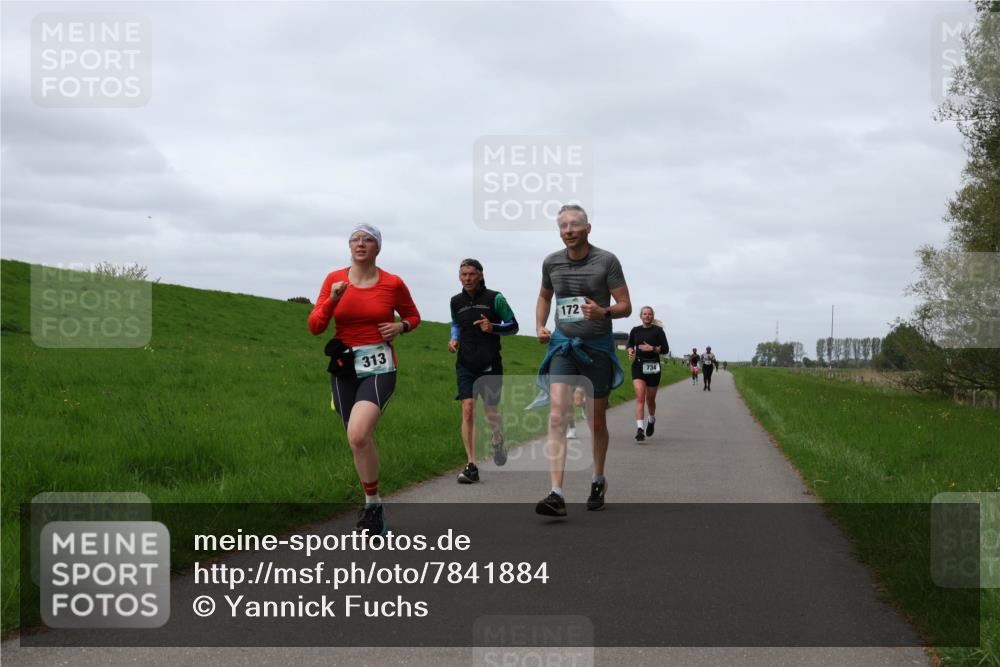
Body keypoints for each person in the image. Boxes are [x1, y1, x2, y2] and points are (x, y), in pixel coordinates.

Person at [308, 224, 421, 535]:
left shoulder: (392, 283)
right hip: (345, 367)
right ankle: (374, 499)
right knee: (357, 441)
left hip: (380, 366)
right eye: (355, 239)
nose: (360, 244)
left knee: (358, 435)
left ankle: (372, 506)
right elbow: (315, 326)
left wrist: (401, 328)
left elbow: (413, 316)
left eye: (367, 240)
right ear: (349, 246)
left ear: (377, 248)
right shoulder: (334, 280)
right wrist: (331, 300)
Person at [534, 204, 631, 517]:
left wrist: (603, 311)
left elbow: (626, 305)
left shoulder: (607, 261)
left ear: (588, 228)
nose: (569, 230)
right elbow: (545, 296)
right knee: (557, 415)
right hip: (563, 345)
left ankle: (598, 478)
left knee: (596, 420)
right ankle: (556, 493)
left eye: (575, 225)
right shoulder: (551, 262)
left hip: (597, 347)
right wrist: (540, 325)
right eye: (563, 226)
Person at [448, 259, 519, 483]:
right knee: (468, 409)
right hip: (465, 364)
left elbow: (514, 326)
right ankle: (471, 464)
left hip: (490, 364)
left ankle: (497, 439)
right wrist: (454, 339)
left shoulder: (495, 298)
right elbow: (455, 324)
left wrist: (494, 327)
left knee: (490, 412)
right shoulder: (455, 301)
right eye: (463, 274)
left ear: (480, 275)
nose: (467, 278)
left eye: (471, 274)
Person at [626, 307, 669, 441]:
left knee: (650, 400)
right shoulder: (635, 330)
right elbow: (630, 345)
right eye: (645, 314)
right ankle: (639, 429)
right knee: (640, 397)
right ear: (641, 316)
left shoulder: (658, 331)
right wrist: (630, 351)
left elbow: (665, 349)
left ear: (652, 316)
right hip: (638, 365)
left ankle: (651, 419)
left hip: (653, 366)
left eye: (649, 314)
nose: (647, 316)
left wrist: (653, 348)